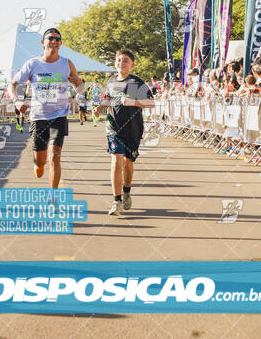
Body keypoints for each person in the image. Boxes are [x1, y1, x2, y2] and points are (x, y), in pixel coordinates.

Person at [9, 27, 84, 188]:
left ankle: (53, 197)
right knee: (40, 160)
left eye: (58, 39)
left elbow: (79, 86)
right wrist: (16, 101)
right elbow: (12, 85)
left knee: (55, 156)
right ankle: (38, 163)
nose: (54, 41)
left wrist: (79, 90)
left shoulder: (66, 63)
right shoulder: (32, 64)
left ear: (61, 43)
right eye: (50, 38)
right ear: (43, 42)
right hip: (38, 116)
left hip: (59, 114)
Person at [93, 49, 154, 216]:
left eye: (125, 60)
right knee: (116, 161)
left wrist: (132, 102)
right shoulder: (111, 82)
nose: (122, 63)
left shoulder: (137, 82)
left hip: (133, 128)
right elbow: (108, 98)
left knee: (128, 162)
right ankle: (116, 201)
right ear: (115, 63)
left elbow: (151, 103)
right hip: (113, 127)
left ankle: (127, 191)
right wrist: (99, 107)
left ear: (132, 65)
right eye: (119, 60)